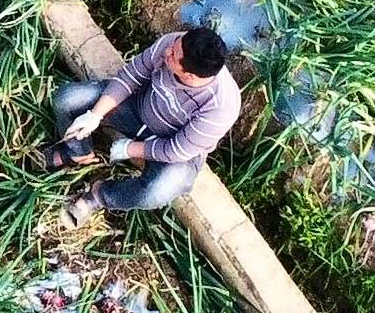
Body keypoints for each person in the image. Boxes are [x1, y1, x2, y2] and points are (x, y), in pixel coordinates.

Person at [46, 23, 238, 213]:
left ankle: (100, 196)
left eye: (173, 55)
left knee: (158, 191)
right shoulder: (173, 43)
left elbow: (176, 150)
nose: (168, 51)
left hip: (173, 144)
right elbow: (131, 76)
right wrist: (94, 115)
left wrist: (129, 149)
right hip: (138, 108)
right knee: (67, 99)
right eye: (175, 45)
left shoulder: (220, 108)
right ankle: (78, 152)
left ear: (189, 76)